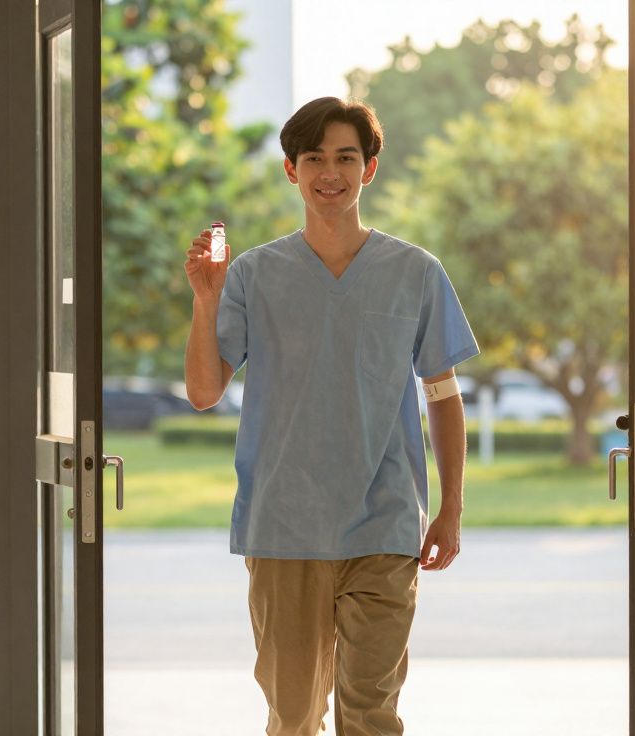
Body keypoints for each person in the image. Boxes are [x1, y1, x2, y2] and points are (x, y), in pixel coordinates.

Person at [182, 96, 479, 736]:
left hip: (385, 524)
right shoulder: (253, 275)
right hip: (284, 526)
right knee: (292, 717)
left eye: (345, 157)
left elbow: (443, 393)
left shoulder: (416, 273)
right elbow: (204, 391)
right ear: (291, 170)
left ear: (369, 168)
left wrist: (450, 506)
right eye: (313, 158)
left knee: (371, 715)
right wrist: (206, 300)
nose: (329, 172)